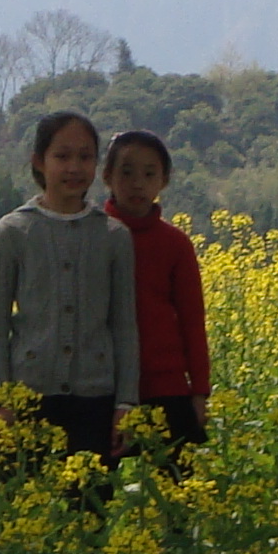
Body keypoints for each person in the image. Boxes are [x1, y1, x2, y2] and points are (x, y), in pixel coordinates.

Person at [0, 110, 139, 472]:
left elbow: (125, 326)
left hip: (95, 402)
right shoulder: (12, 232)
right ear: (39, 162)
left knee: (88, 515)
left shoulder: (114, 236)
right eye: (62, 156)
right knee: (25, 519)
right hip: (27, 401)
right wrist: (0, 401)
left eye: (85, 157)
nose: (74, 167)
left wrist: (126, 404)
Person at [103, 129, 210, 472]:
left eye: (149, 174)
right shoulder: (91, 235)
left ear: (164, 180)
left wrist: (199, 392)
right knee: (91, 496)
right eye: (127, 172)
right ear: (107, 177)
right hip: (102, 385)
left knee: (180, 500)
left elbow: (192, 321)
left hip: (166, 386)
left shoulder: (176, 244)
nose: (138, 184)